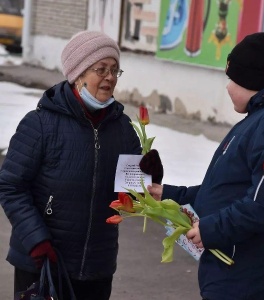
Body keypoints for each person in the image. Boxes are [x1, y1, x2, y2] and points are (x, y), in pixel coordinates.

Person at [140, 32, 264, 300]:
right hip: (235, 271)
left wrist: (212, 230)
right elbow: (227, 188)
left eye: (232, 78)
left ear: (253, 79)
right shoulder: (261, 118)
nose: (227, 87)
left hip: (250, 277)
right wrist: (168, 194)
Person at [0, 30, 142, 299]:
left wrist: (144, 181)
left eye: (115, 70)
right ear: (78, 74)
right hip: (43, 261)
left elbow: (133, 192)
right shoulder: (41, 123)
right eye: (101, 69)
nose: (110, 78)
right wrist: (37, 241)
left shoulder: (123, 128)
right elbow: (10, 186)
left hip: (97, 267)